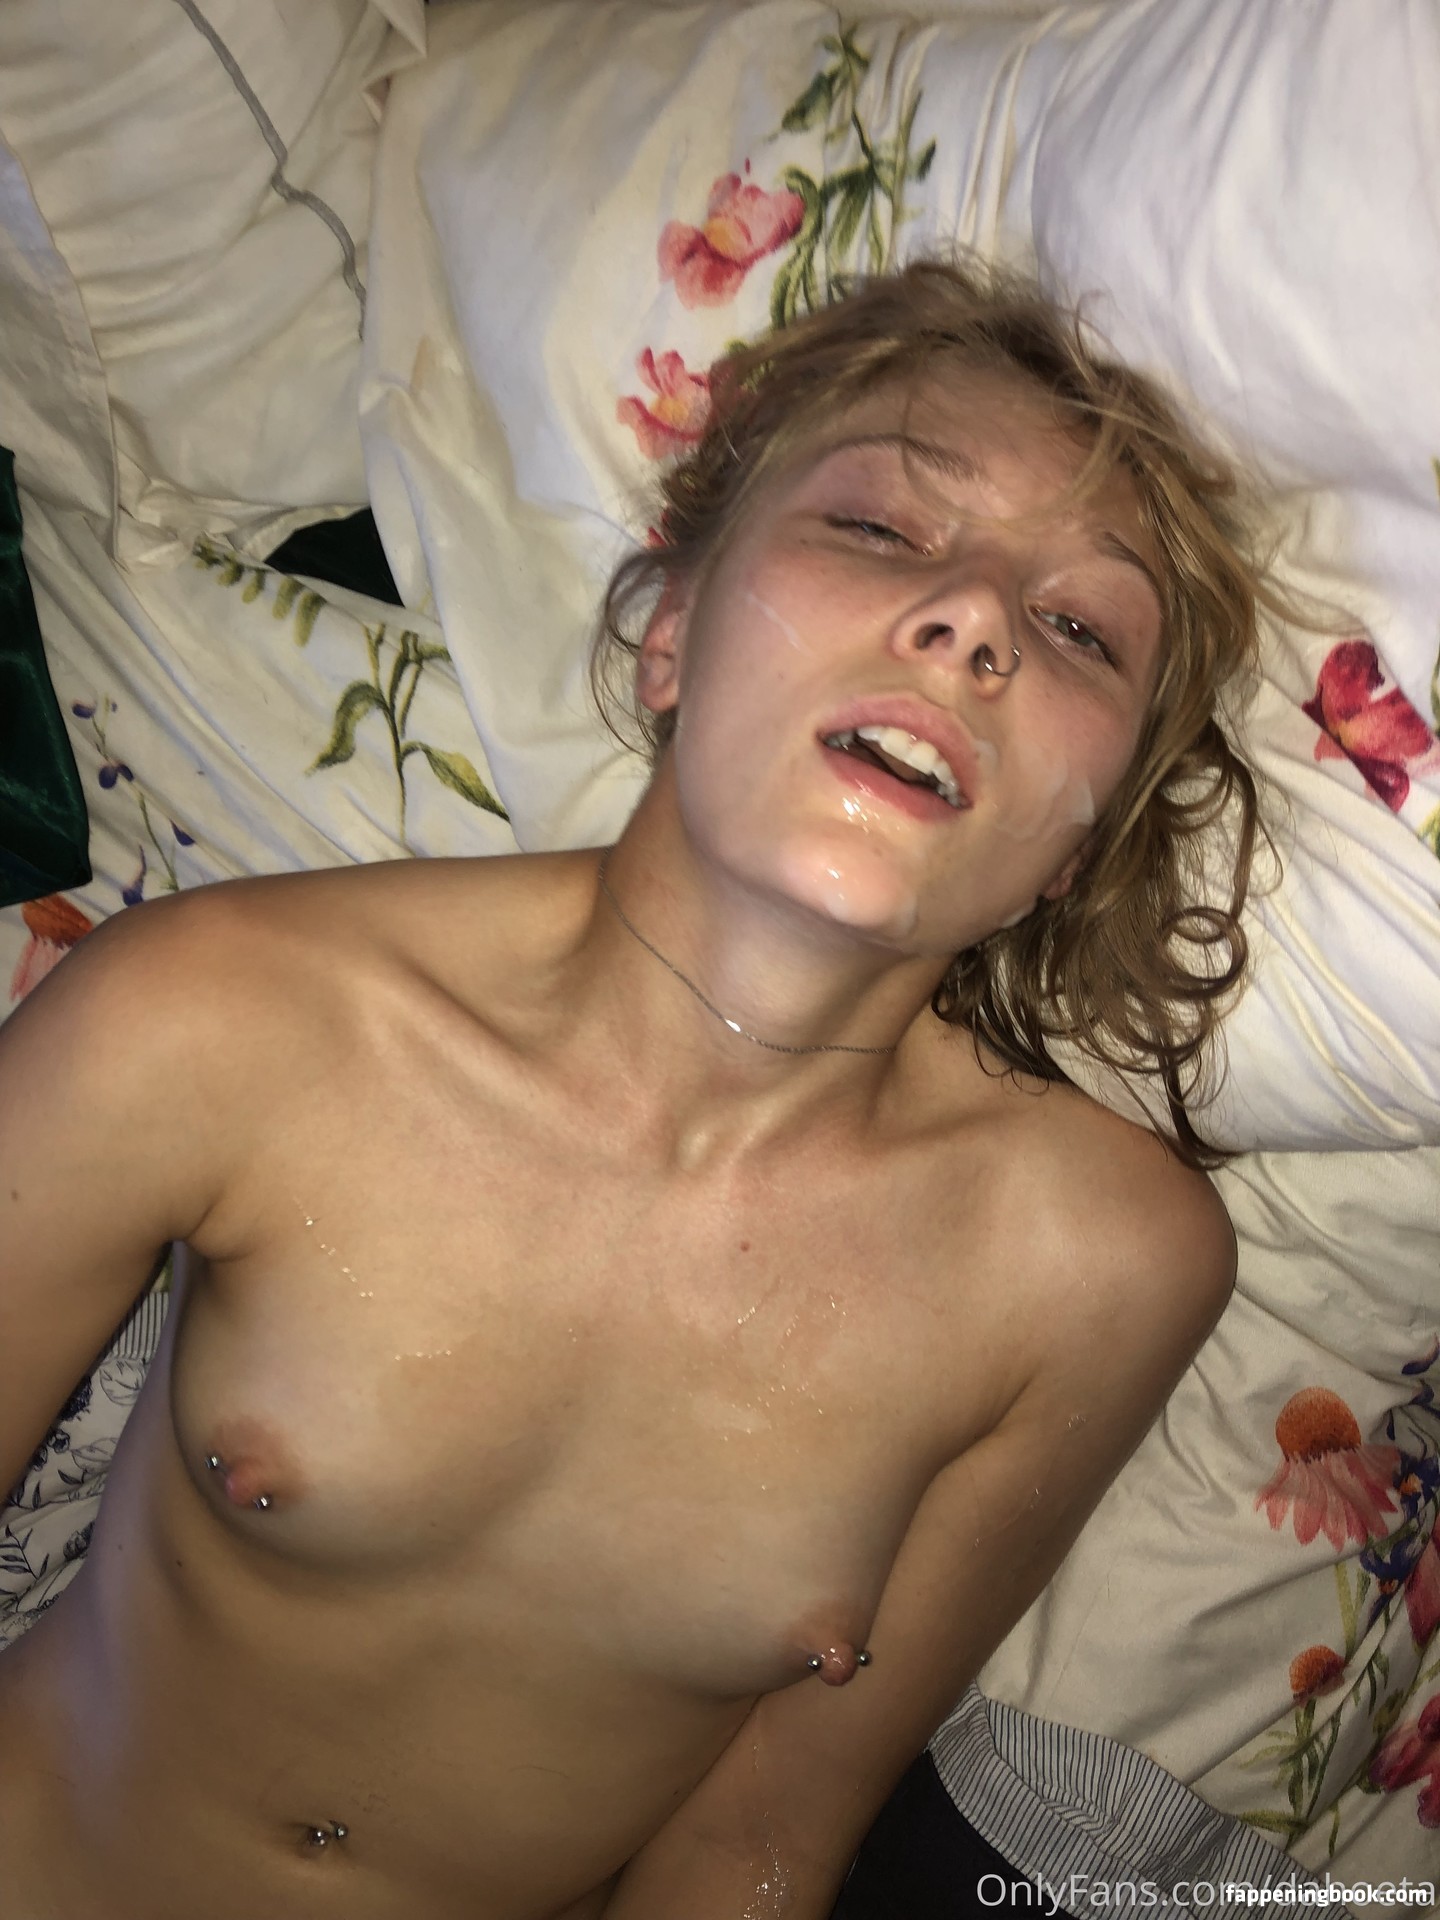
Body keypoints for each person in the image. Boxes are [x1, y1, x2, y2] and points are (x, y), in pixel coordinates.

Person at [0, 257, 1267, 1920]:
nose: (973, 625)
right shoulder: (211, 1016)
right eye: (883, 529)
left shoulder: (1091, 1273)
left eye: (1080, 629)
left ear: (1077, 851)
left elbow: (760, 1842)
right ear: (670, 632)